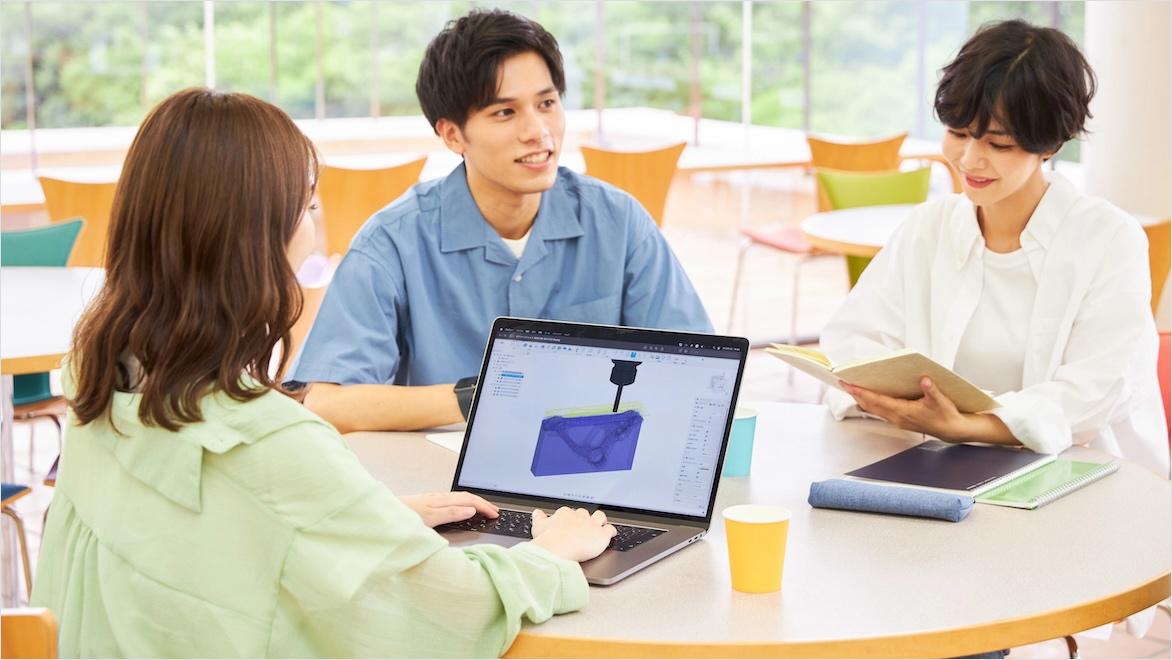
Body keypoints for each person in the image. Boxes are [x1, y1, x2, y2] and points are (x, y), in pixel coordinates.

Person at [31, 88, 617, 658]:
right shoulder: (269, 441)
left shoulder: (97, 375)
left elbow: (197, 534)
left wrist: (363, 519)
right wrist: (551, 554)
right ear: (259, 238)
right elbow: (448, 610)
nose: (315, 230)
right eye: (309, 206)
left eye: (548, 103)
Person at [289, 9, 712, 433]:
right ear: (452, 134)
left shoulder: (617, 222)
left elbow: (699, 369)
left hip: (594, 458)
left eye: (547, 104)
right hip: (445, 469)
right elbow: (328, 403)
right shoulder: (392, 242)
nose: (538, 131)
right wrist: (485, 393)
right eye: (505, 112)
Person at [820, 19, 1169, 477]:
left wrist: (968, 426)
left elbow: (1097, 389)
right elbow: (854, 340)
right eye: (959, 133)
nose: (969, 160)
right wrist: (901, 403)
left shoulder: (1108, 240)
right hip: (939, 469)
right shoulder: (928, 228)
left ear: (1050, 144)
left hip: (1082, 477)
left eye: (998, 143)